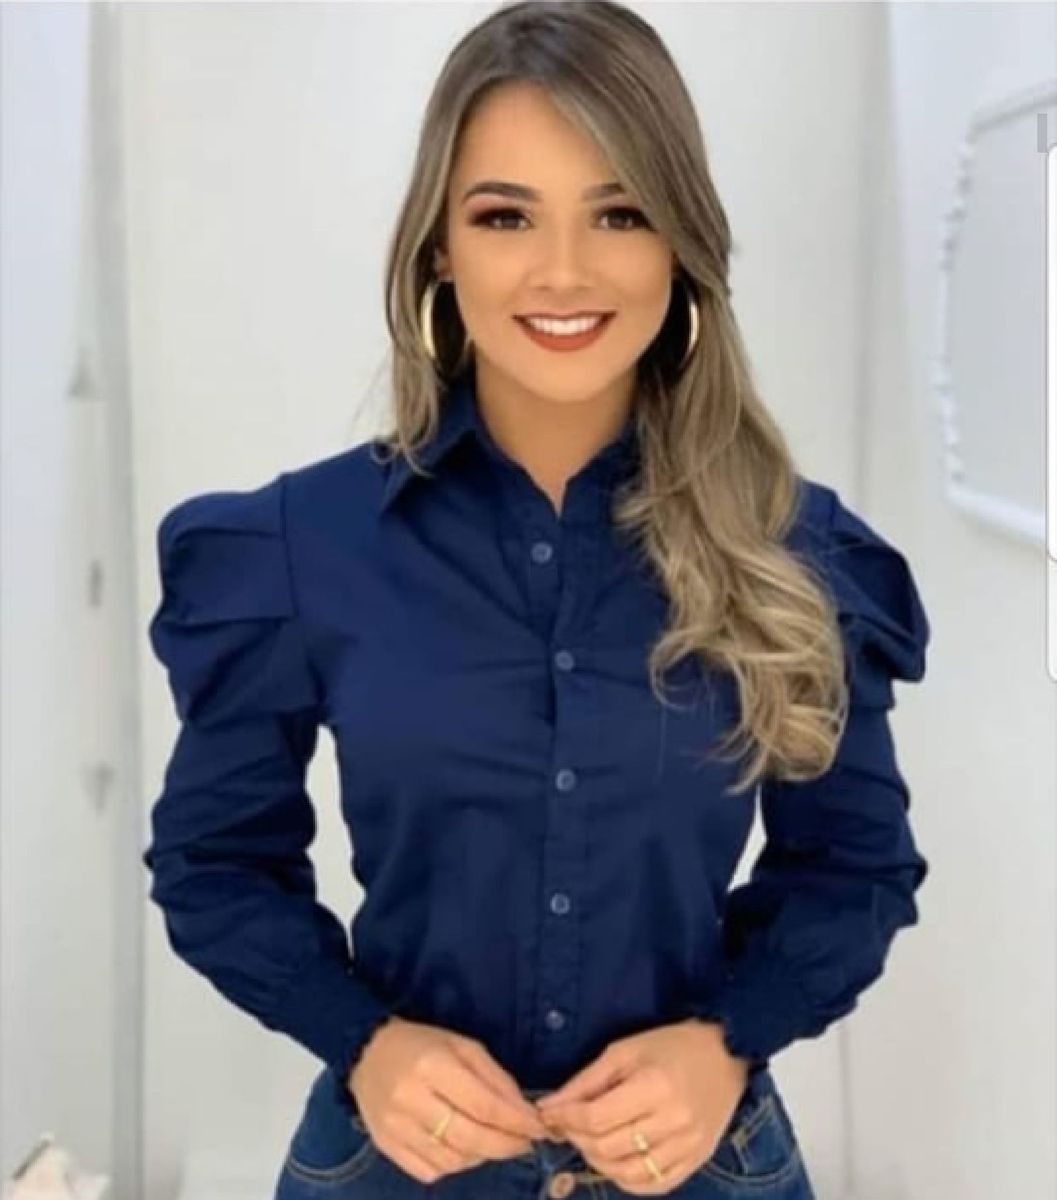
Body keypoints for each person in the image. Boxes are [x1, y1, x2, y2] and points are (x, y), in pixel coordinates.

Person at [141, 3, 931, 1197]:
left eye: (620, 212)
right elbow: (215, 861)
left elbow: (854, 869)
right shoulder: (303, 547)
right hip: (394, 1167)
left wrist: (726, 1042)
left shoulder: (799, 552)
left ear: (679, 243)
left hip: (703, 1165)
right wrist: (365, 1041)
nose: (563, 271)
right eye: (504, 215)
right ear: (439, 250)